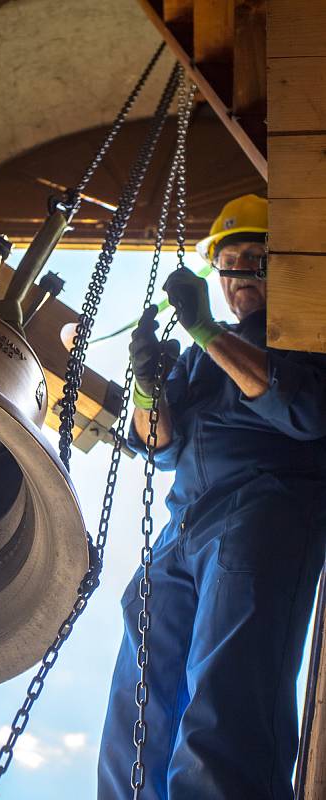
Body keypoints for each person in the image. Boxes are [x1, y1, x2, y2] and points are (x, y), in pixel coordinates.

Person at [97, 194, 326, 800]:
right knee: (139, 705)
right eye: (229, 260)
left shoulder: (308, 333)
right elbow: (157, 447)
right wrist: (148, 386)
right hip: (183, 528)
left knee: (223, 698)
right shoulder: (201, 356)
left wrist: (204, 329)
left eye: (256, 255)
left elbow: (305, 412)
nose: (240, 271)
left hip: (262, 511)